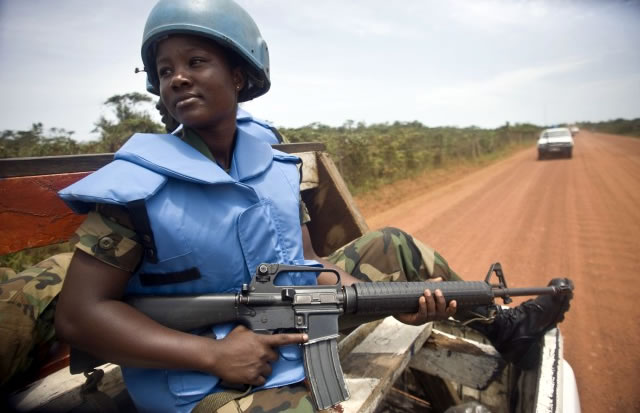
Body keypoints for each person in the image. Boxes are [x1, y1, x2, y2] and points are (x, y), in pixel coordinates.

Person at [53, 1, 573, 412]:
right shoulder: (138, 189)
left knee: (394, 256)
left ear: (239, 76)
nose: (178, 78)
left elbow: (307, 267)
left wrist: (383, 299)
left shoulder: (274, 168)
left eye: (196, 62)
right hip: (192, 378)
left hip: (283, 338)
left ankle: (498, 324)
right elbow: (79, 316)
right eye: (165, 71)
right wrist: (211, 354)